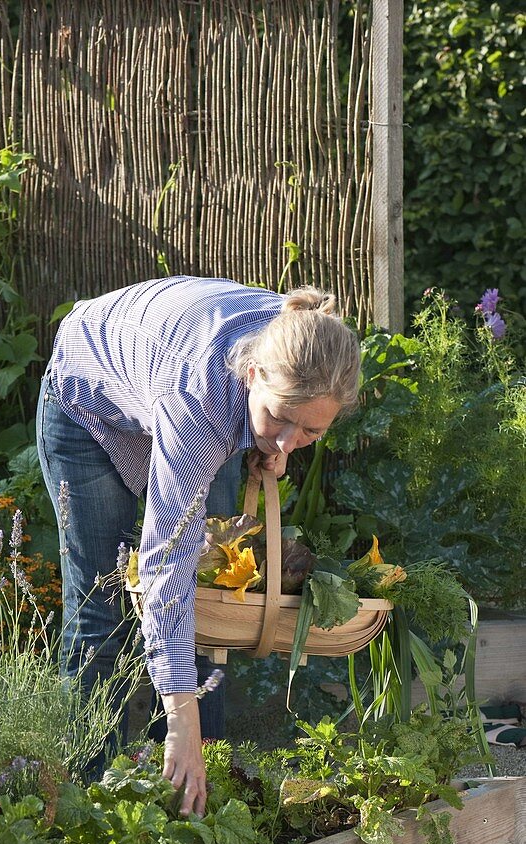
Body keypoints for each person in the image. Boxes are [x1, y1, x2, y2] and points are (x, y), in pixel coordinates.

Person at [36, 275, 361, 816]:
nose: (288, 441)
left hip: (171, 379)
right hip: (86, 404)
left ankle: (197, 797)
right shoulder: (202, 403)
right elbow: (167, 564)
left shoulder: (304, 345)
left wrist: (271, 440)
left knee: (213, 602)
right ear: (252, 374)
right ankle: (87, 800)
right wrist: (180, 717)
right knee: (101, 609)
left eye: (309, 432)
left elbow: (283, 417)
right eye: (279, 419)